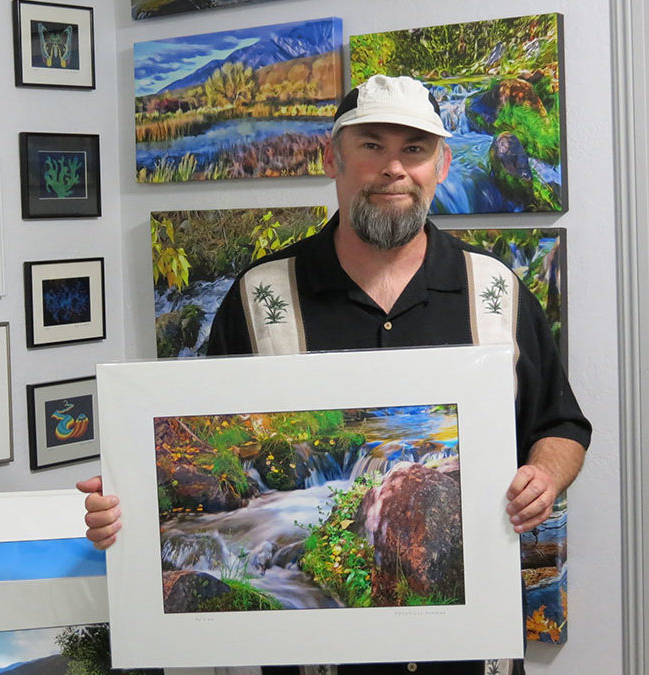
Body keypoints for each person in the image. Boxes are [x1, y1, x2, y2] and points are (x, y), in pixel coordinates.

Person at [79, 75, 590, 675]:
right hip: (310, 660)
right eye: (371, 146)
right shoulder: (259, 298)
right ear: (333, 158)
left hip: (468, 654)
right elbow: (198, 469)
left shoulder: (496, 293)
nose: (393, 168)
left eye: (415, 150)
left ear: (443, 164)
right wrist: (132, 506)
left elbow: (561, 425)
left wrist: (545, 478)